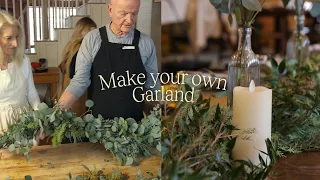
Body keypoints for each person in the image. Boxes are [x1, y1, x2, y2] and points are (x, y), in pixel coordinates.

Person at [59, 0, 160, 121]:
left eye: (134, 14)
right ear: (110, 10)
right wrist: (55, 113)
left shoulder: (145, 43)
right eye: (123, 13)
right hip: (98, 127)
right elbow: (79, 82)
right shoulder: (92, 39)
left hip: (135, 130)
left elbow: (153, 85)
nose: (129, 20)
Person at [0, 11, 40, 133]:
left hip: (25, 123)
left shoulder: (23, 61)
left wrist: (40, 117)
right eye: (9, 38)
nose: (16, 44)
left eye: (17, 37)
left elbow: (31, 93)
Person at [58, 17, 97, 116]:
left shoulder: (71, 46)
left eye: (94, 32)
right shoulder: (81, 49)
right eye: (89, 32)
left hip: (68, 93)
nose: (93, 36)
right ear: (81, 32)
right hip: (78, 98)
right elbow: (74, 74)